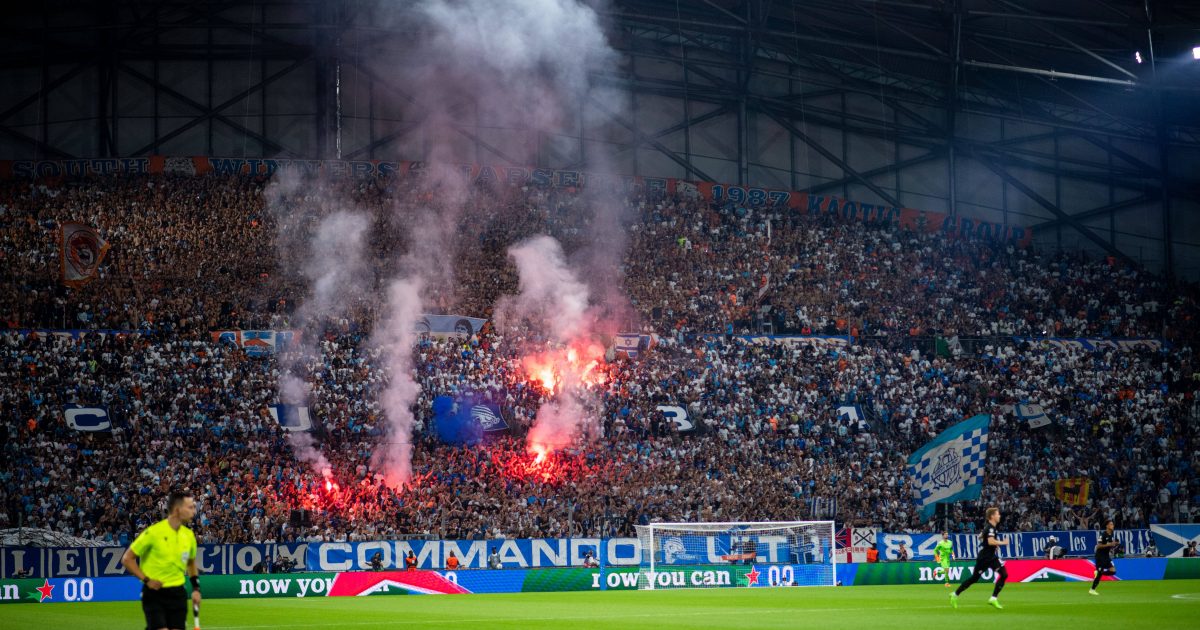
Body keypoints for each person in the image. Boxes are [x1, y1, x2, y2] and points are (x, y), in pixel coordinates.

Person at [122, 489, 201, 630]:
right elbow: (127, 559)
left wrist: (196, 588)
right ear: (177, 510)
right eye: (190, 507)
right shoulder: (153, 532)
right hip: (155, 594)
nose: (194, 511)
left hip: (178, 594)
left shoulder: (189, 535)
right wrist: (146, 580)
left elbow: (191, 563)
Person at [950, 507, 1008, 610]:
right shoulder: (990, 528)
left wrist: (992, 543)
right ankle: (955, 594)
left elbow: (980, 536)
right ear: (992, 516)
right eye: (997, 514)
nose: (999, 516)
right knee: (974, 579)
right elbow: (990, 541)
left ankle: (993, 598)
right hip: (984, 558)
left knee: (1004, 574)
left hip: (991, 557)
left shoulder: (989, 527)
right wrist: (1002, 542)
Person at [1089, 520, 1119, 595]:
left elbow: (1110, 545)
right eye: (1111, 524)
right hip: (1100, 556)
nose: (1113, 525)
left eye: (1113, 524)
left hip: (1106, 555)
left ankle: (1099, 572)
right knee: (1099, 574)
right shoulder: (1103, 535)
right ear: (1107, 526)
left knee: (1113, 571)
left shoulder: (1111, 534)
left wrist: (1114, 544)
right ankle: (1092, 589)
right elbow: (1099, 546)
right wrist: (1109, 544)